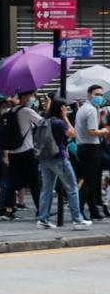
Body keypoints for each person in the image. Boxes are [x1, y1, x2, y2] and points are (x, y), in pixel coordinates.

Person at [37, 97, 93, 230]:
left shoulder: (45, 120)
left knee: (47, 189)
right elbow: (73, 134)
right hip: (59, 158)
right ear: (61, 108)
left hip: (45, 158)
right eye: (64, 107)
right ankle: (77, 219)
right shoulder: (59, 122)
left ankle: (43, 219)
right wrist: (65, 117)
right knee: (72, 188)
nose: (66, 109)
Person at [0, 90, 42, 220]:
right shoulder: (27, 111)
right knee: (34, 182)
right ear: (25, 97)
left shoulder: (11, 111)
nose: (33, 99)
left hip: (12, 152)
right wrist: (44, 108)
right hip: (26, 152)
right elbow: (42, 123)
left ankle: (8, 210)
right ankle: (41, 209)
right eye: (32, 96)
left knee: (12, 181)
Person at [74, 84, 108, 222]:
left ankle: (93, 211)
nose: (99, 97)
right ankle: (79, 211)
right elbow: (92, 131)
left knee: (91, 182)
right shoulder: (90, 110)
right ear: (89, 94)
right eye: (96, 94)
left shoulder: (85, 108)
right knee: (89, 182)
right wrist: (104, 131)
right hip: (90, 148)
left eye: (101, 95)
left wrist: (99, 113)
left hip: (83, 148)